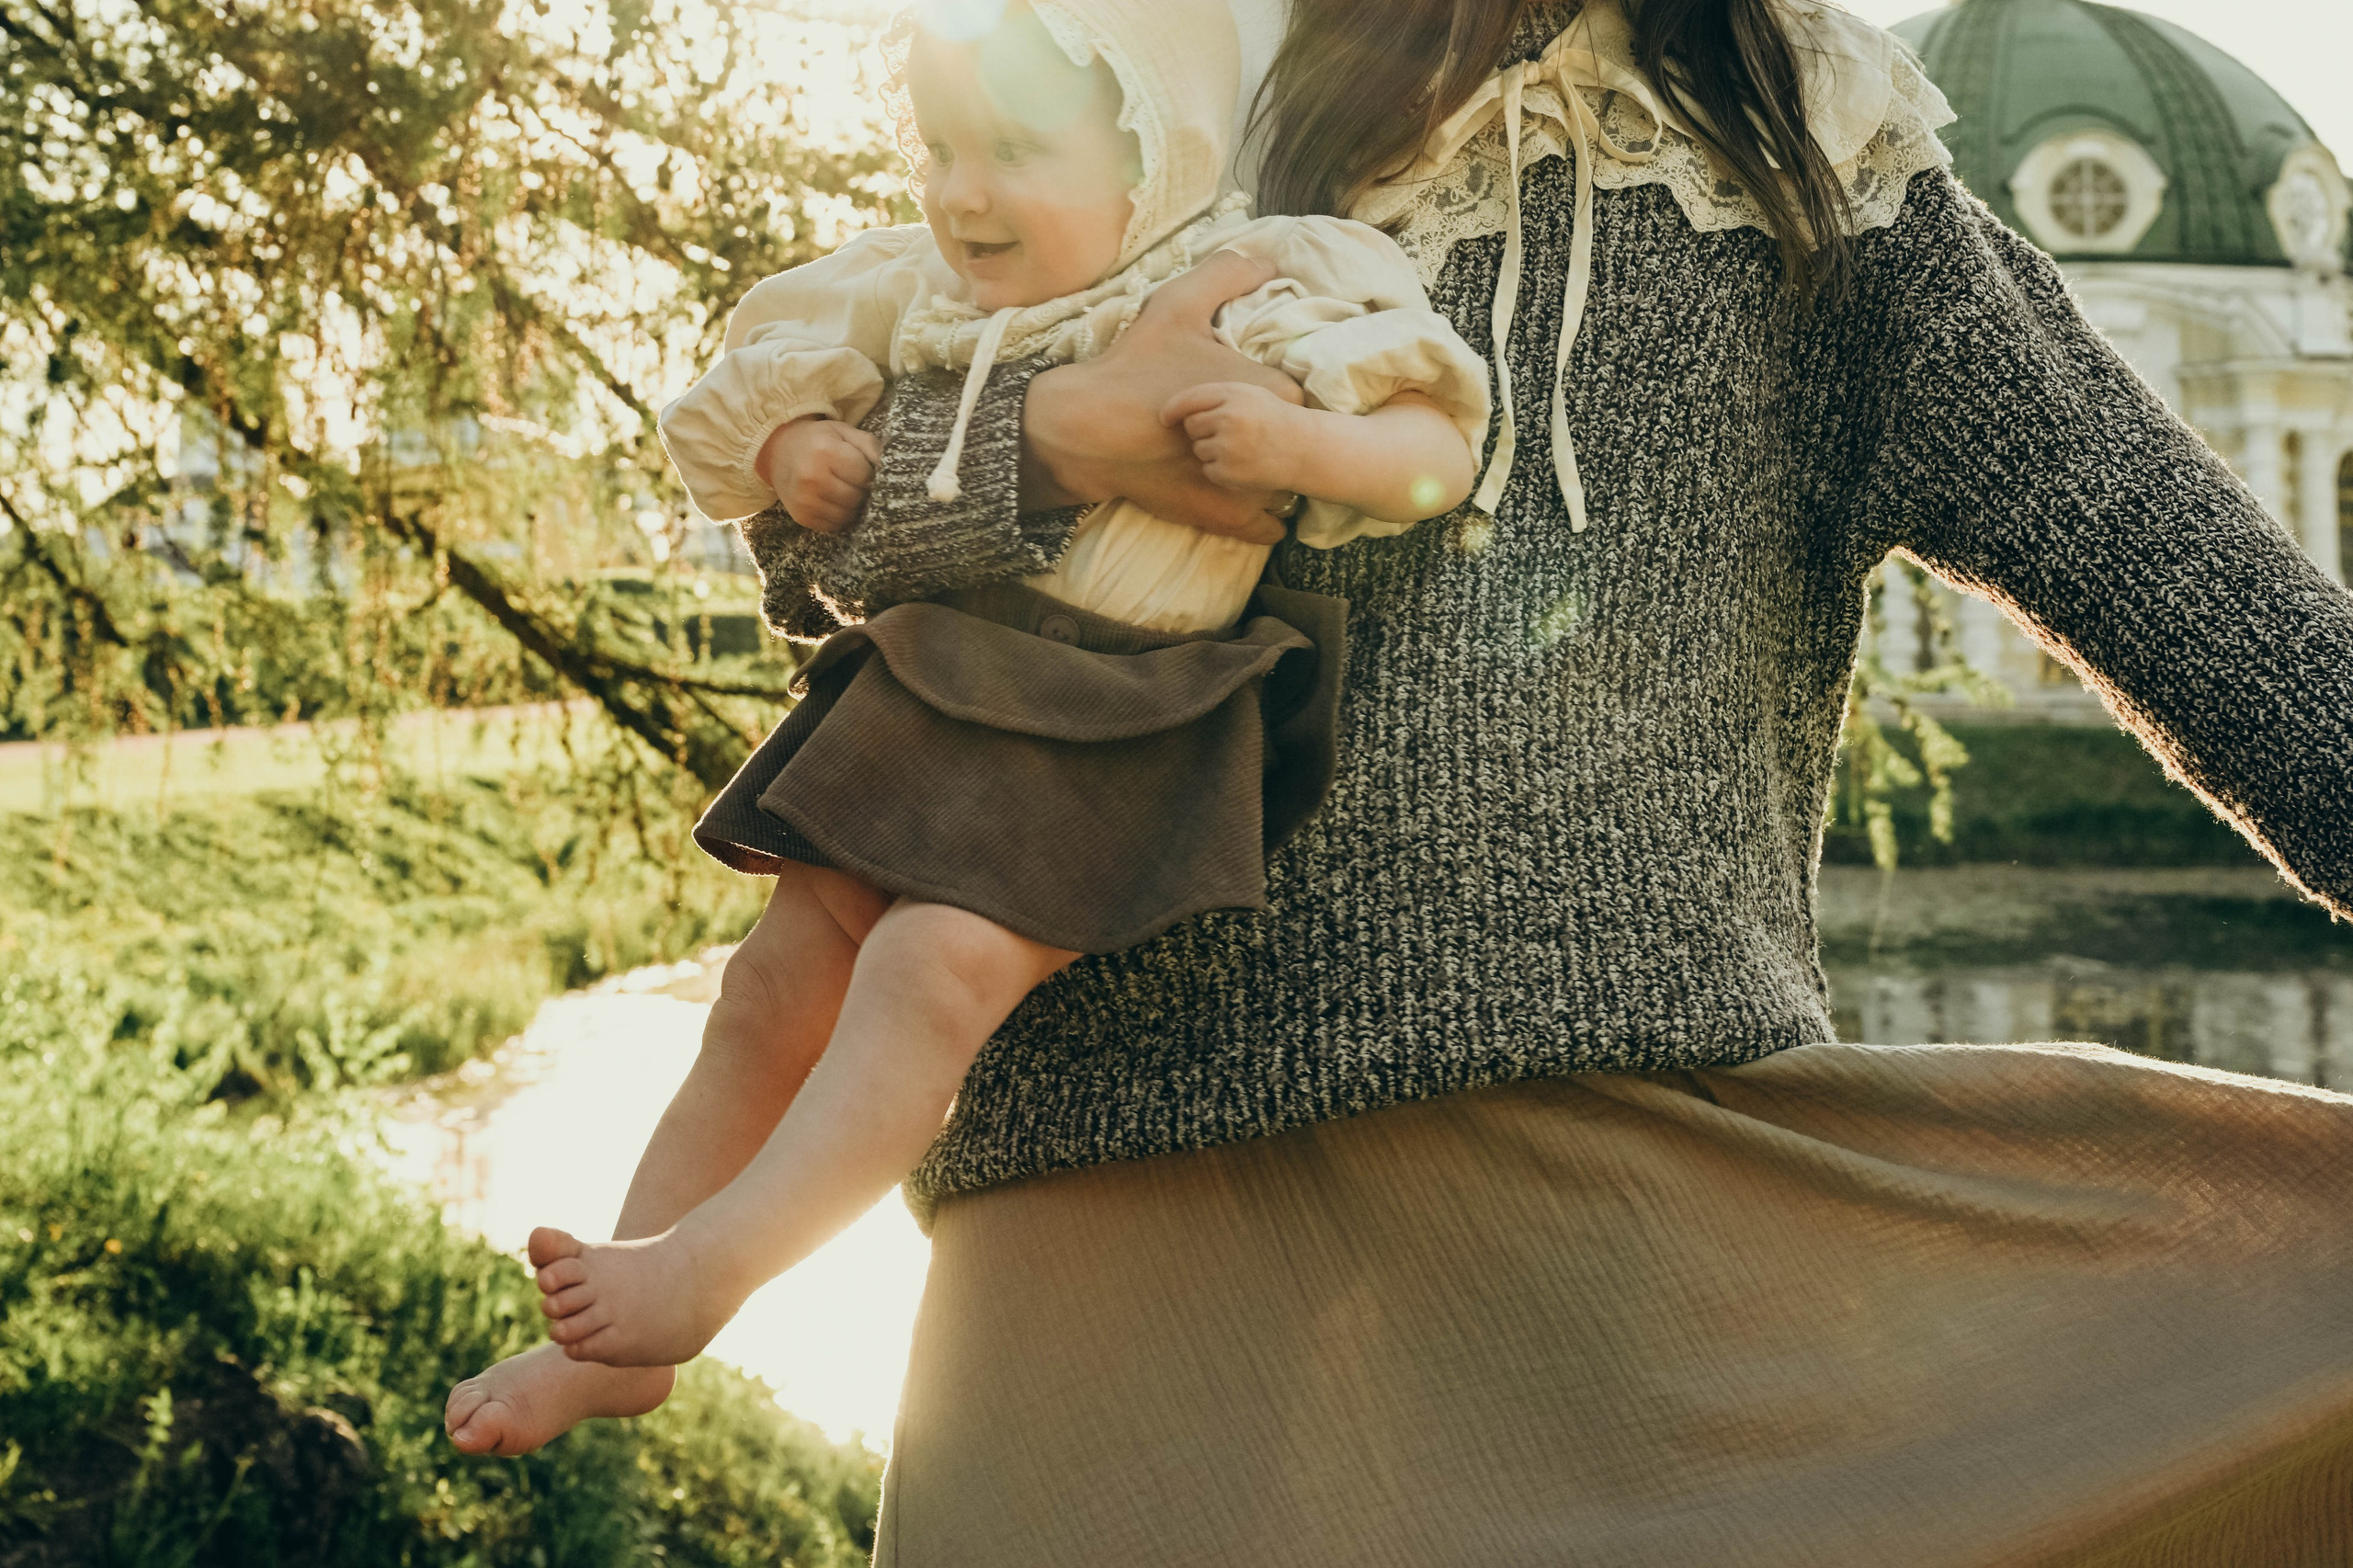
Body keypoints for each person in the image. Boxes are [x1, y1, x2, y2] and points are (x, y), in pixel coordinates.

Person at [706, 0, 2348, 1561]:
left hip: (1661, 1283)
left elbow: (2244, 641)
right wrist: (1058, 436)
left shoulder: (1806, 164)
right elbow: (811, 536)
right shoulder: (1166, 87)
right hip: (1106, 1273)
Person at [443, 0, 1485, 1449]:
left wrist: (1315, 446)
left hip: (1122, 709)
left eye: (1012, 148)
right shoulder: (908, 288)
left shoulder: (1254, 277)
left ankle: (712, 1267)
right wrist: (794, 444)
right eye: (939, 146)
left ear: (1155, 153)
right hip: (943, 683)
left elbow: (1441, 434)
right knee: (767, 989)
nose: (962, 190)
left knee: (928, 972)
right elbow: (714, 425)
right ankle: (621, 1315)